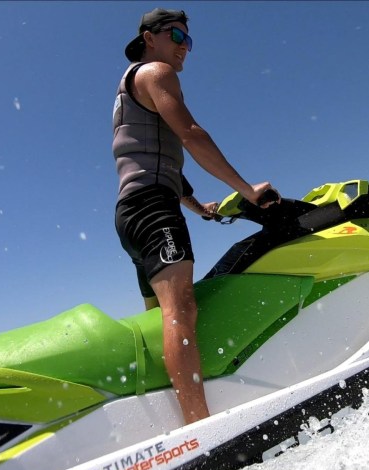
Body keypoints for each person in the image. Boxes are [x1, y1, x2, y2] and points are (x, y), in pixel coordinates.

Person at [112, 8, 279, 425]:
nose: (186, 45)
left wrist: (199, 206)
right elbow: (191, 135)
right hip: (153, 209)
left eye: (189, 39)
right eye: (177, 35)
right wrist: (247, 191)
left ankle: (161, 417)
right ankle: (199, 429)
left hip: (131, 215)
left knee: (160, 318)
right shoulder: (155, 72)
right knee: (180, 310)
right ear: (150, 37)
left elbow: (161, 161)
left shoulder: (132, 88)